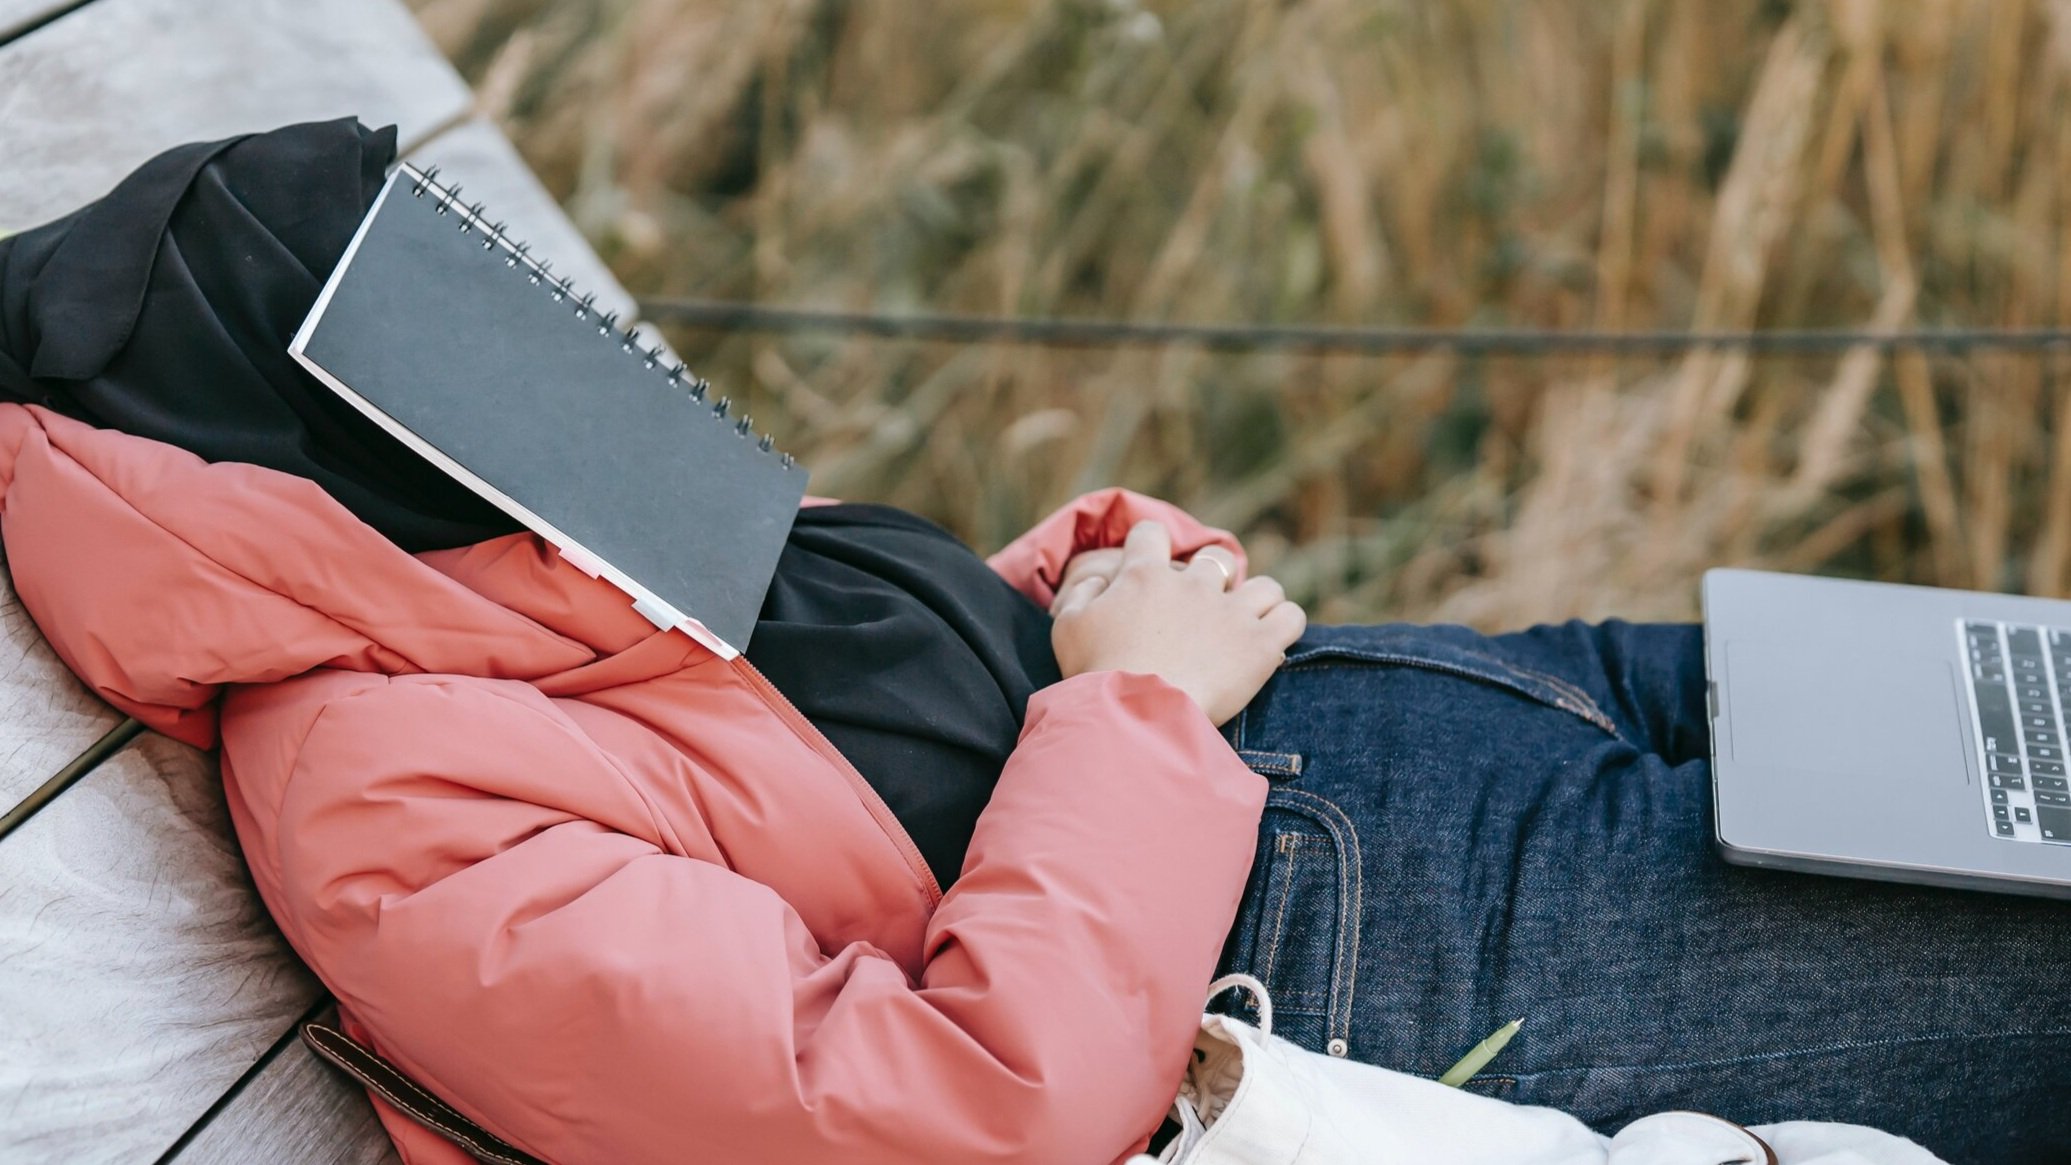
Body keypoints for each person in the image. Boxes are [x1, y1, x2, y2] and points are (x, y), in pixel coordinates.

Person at [4, 120, 2067, 1165]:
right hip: (1344, 938)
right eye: (426, 302)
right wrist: (1144, 692)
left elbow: (885, 683)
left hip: (1402, 726)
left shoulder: (503, 557)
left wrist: (1111, 585)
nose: (521, 324)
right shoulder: (392, 812)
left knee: (2025, 716)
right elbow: (962, 1115)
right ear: (264, 427)